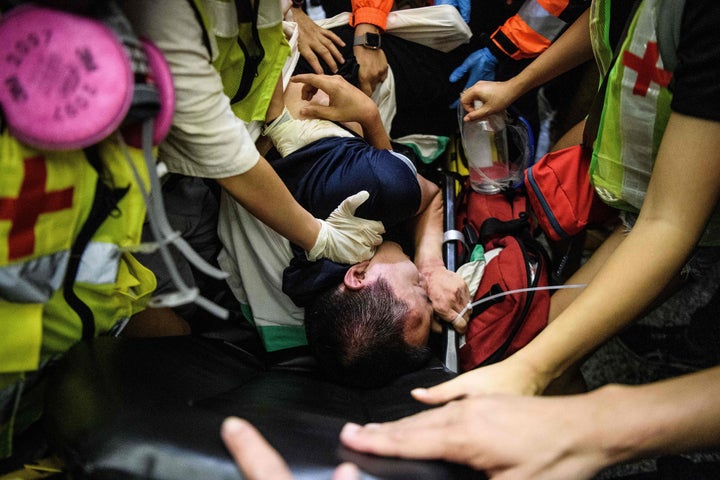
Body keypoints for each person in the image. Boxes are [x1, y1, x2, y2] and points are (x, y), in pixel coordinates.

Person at [334, 0, 720, 476]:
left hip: (673, 199)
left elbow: (670, 222)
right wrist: (516, 85)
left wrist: (533, 371)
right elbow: (608, 19)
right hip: (628, 149)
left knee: (545, 346)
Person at [217, 72, 472, 382]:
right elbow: (429, 197)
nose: (424, 282)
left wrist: (369, 117)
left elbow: (423, 192)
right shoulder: (288, 303)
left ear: (358, 275)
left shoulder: (375, 191)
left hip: (300, 72)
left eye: (420, 289)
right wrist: (431, 265)